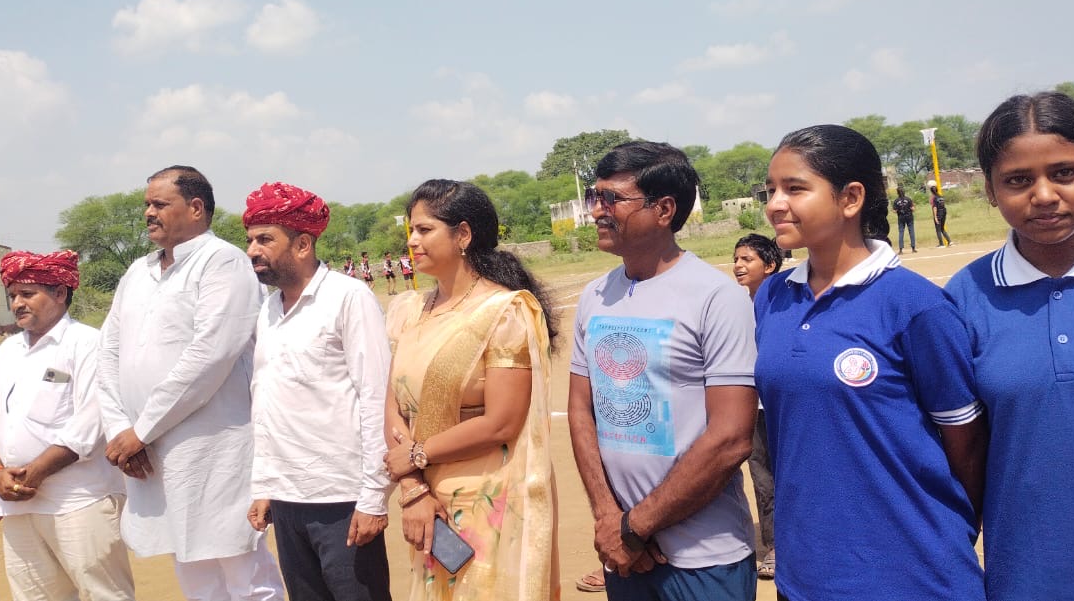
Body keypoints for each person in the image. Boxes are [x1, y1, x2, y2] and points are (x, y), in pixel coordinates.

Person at [755, 125, 986, 601]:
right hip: (805, 574)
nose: (775, 204)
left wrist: (945, 531)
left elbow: (966, 444)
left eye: (795, 188)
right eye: (770, 190)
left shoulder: (915, 305)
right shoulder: (773, 297)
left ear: (851, 198)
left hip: (910, 573)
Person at [945, 91, 1074, 601]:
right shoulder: (965, 297)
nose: (1044, 195)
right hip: (1026, 575)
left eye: (1064, 172)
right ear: (990, 190)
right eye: (1017, 180)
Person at [568, 141, 759, 601]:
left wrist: (637, 525)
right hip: (623, 552)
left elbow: (731, 438)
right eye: (595, 197)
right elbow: (580, 410)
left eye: (611, 199)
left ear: (664, 209)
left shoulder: (716, 298)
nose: (596, 211)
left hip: (704, 557)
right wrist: (608, 518)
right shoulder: (595, 297)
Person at [96, 166, 282, 601]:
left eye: (160, 204)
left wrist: (141, 431)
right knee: (195, 576)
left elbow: (210, 357)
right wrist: (120, 431)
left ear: (196, 208)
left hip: (214, 450)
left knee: (244, 573)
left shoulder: (222, 261)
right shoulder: (137, 272)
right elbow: (107, 353)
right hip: (151, 456)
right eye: (146, 204)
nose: (148, 213)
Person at [382, 179, 559, 600]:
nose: (412, 240)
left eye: (425, 229)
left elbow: (501, 423)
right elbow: (393, 404)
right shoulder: (409, 310)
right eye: (411, 230)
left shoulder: (504, 312)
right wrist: (413, 487)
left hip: (486, 496)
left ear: (463, 234)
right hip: (425, 499)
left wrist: (416, 455)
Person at [242, 183, 393, 601]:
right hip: (287, 500)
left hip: (342, 499)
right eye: (250, 240)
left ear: (303, 244)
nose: (252, 250)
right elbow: (267, 401)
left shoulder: (348, 297)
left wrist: (374, 497)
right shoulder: (268, 310)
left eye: (265, 239)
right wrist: (265, 485)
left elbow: (376, 397)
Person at [0, 250, 134, 601]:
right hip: (18, 505)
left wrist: (34, 474)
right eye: (12, 295)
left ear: (60, 293)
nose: (17, 303)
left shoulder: (88, 344)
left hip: (78, 500)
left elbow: (89, 424)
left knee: (104, 594)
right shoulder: (7, 351)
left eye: (27, 294)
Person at [730, 233, 783, 581]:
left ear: (770, 265)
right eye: (736, 259)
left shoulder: (786, 303)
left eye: (746, 259)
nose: (738, 266)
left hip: (784, 404)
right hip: (755, 407)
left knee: (794, 474)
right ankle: (775, 545)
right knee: (763, 479)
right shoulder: (735, 307)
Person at [891, 187, 917, 254]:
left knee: (901, 232)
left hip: (901, 217)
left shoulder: (896, 201)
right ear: (904, 192)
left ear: (897, 193)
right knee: (911, 231)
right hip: (909, 217)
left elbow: (894, 211)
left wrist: (896, 209)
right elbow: (913, 209)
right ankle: (913, 248)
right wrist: (913, 207)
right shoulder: (908, 199)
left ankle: (900, 250)